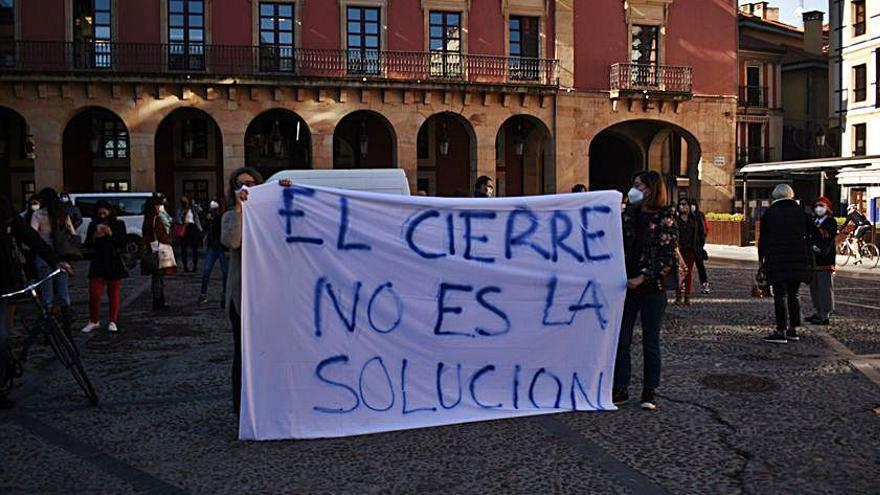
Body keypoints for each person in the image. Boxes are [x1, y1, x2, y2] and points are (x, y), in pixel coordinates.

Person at [613, 170, 678, 411]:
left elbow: (667, 256)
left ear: (649, 190)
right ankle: (620, 386)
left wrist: (643, 277)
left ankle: (649, 391)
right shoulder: (628, 215)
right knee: (622, 339)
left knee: (651, 340)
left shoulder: (665, 218)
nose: (633, 189)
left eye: (637, 185)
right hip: (626, 286)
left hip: (652, 288)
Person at [1, 194, 73, 409]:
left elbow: (30, 238)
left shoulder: (5, 209)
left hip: (5, 281)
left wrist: (56, 260)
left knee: (3, 336)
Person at [222, 167, 263, 418]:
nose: (246, 188)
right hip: (242, 298)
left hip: (268, 297)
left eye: (251, 183)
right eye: (240, 185)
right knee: (242, 353)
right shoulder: (229, 216)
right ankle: (241, 410)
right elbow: (232, 241)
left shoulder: (268, 216)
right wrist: (239, 209)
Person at [758, 184, 814, 343]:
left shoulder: (769, 214)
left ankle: (780, 330)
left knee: (779, 295)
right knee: (793, 294)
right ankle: (793, 329)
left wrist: (761, 261)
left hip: (776, 260)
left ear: (775, 196)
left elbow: (763, 241)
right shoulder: (801, 213)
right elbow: (813, 233)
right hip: (797, 260)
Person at [30, 188, 77, 336]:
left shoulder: (38, 215)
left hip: (43, 256)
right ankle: (67, 329)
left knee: (47, 295)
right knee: (63, 294)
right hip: (62, 257)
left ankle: (49, 331)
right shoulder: (63, 215)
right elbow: (73, 233)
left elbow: (32, 236)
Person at [80, 201, 128, 333]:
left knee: (114, 294)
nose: (102, 215)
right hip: (97, 263)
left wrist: (111, 233)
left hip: (113, 262)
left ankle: (113, 320)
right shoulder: (92, 225)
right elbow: (88, 246)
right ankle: (94, 320)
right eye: (99, 213)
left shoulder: (118, 224)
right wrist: (94, 237)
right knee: (94, 294)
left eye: (104, 212)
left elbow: (123, 243)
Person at [807, 197, 837, 326]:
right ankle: (818, 311)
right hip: (813, 260)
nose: (818, 208)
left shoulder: (830, 221)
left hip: (825, 259)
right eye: (816, 206)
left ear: (827, 208)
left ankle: (825, 314)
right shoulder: (814, 221)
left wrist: (818, 247)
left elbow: (828, 238)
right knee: (815, 288)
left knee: (825, 288)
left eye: (821, 206)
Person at [143, 194, 175, 310]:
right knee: (158, 277)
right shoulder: (155, 219)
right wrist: (169, 240)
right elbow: (161, 235)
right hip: (158, 249)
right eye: (157, 204)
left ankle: (158, 300)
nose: (159, 207)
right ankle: (158, 301)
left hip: (152, 249)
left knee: (157, 277)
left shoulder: (147, 218)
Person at [674, 198, 705, 305]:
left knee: (688, 273)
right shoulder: (675, 221)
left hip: (690, 250)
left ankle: (687, 297)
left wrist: (699, 246)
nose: (683, 206)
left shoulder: (694, 220)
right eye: (681, 204)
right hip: (679, 250)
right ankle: (678, 296)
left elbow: (702, 233)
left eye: (685, 204)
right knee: (679, 273)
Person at [199, 198, 229, 307]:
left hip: (222, 247)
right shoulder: (211, 217)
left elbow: (222, 230)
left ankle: (225, 295)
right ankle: (203, 294)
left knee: (225, 272)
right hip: (212, 247)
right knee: (206, 270)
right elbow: (205, 229)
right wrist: (208, 220)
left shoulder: (223, 217)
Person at [175, 194, 203, 273]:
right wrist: (183, 216)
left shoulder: (193, 208)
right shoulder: (180, 209)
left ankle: (195, 266)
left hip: (193, 228)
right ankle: (185, 266)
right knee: (184, 248)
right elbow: (178, 218)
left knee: (195, 248)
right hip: (185, 228)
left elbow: (200, 210)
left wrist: (194, 204)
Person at [689, 198, 711, 294]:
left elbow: (704, 230)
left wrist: (701, 244)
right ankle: (685, 287)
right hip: (689, 245)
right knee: (690, 267)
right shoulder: (685, 216)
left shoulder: (699, 215)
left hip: (696, 245)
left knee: (700, 266)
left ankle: (704, 284)